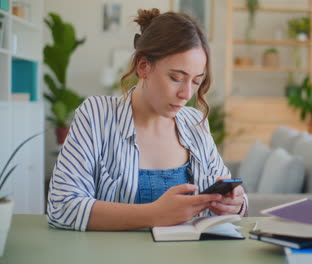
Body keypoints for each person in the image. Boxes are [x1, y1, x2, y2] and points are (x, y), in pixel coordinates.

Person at [47, 8, 247, 231]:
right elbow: (62, 207)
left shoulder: (195, 122)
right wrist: (155, 214)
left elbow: (233, 199)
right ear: (143, 67)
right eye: (176, 78)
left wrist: (235, 204)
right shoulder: (97, 114)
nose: (186, 94)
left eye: (196, 81)